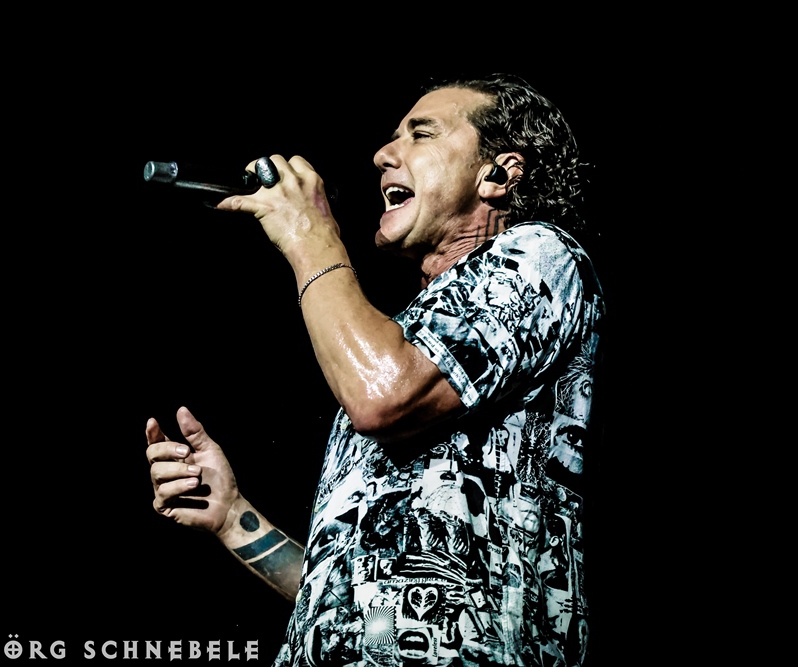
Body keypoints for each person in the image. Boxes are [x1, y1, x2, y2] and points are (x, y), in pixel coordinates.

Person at [145, 74, 604, 666]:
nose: (383, 154)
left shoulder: (542, 255)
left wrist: (310, 235)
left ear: (498, 174)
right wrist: (234, 518)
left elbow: (381, 397)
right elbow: (358, 606)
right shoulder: (404, 339)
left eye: (421, 134)